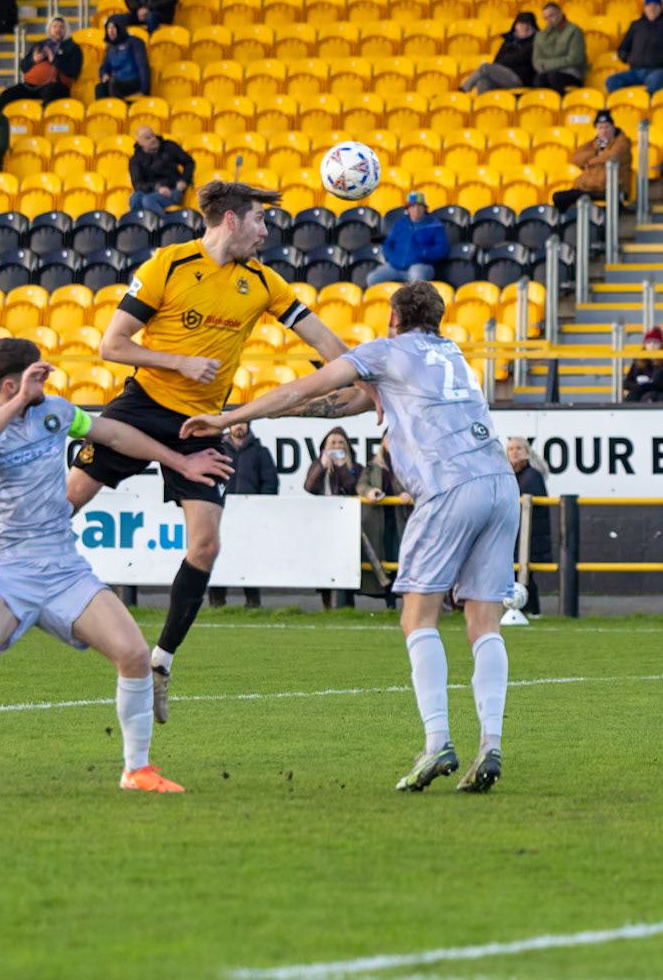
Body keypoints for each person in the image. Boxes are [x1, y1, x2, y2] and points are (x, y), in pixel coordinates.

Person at [182, 280, 518, 794]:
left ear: (392, 319)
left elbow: (306, 389)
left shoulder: (386, 351)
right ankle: (491, 744)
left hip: (449, 487)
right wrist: (288, 412)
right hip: (500, 484)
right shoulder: (450, 355)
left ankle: (437, 742)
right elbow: (341, 405)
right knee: (484, 621)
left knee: (416, 614)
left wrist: (231, 416)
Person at [40, 182, 352, 725]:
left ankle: (159, 664)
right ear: (230, 219)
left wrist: (365, 377)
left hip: (203, 422)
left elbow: (325, 342)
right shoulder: (170, 264)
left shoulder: (263, 281)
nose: (266, 231)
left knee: (205, 546)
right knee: (64, 502)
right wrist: (179, 363)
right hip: (144, 404)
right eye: (259, 220)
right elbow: (112, 346)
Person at [0, 339, 233, 798]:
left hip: (63, 567)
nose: (45, 385)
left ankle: (136, 769)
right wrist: (21, 399)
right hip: (5, 566)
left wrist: (180, 460)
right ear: (10, 383)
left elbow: (114, 435)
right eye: (34, 378)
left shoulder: (56, 412)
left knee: (135, 654)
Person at [207, 422, 276, 608]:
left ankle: (253, 602)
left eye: (243, 423)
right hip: (220, 514)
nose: (239, 426)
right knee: (218, 557)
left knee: (249, 558)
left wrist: (259, 505)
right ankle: (217, 603)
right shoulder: (218, 451)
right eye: (236, 422)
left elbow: (270, 483)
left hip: (250, 518)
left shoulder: (260, 452)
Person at [304, 426, 360, 609]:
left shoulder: (356, 467)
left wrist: (342, 468)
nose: (337, 446)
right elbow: (310, 487)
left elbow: (354, 488)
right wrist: (322, 466)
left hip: (347, 524)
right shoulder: (317, 464)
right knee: (325, 563)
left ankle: (346, 605)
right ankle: (327, 605)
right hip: (323, 525)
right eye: (333, 443)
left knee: (346, 564)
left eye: (340, 443)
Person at [357, 439, 408, 609]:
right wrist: (369, 491)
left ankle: (405, 600)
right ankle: (390, 602)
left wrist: (410, 493)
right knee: (385, 556)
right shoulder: (372, 466)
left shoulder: (410, 464)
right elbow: (361, 485)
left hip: (403, 519)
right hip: (380, 520)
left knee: (402, 557)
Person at [506, 436, 551, 616]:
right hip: (516, 535)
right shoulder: (512, 475)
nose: (514, 452)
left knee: (523, 573)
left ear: (527, 452)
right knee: (521, 573)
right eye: (510, 449)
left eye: (518, 448)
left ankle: (527, 610)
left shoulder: (531, 477)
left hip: (528, 536)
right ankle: (528, 610)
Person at [553, 110, 632, 211]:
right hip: (590, 188)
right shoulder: (592, 144)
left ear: (613, 127)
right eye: (600, 127)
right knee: (559, 197)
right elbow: (576, 159)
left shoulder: (622, 142)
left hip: (612, 188)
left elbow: (611, 157)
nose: (604, 131)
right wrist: (595, 153)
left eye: (607, 127)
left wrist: (588, 162)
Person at [0, 16, 81, 108]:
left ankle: (42, 121)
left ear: (66, 30)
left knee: (50, 95)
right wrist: (33, 60)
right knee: (7, 95)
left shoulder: (72, 48)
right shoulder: (40, 45)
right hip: (31, 86)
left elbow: (73, 71)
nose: (58, 29)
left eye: (62, 27)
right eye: (55, 26)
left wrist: (54, 60)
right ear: (49, 29)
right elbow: (23, 67)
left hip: (55, 87)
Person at [366, 192, 448, 286]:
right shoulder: (400, 224)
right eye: (412, 207)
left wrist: (424, 253)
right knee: (372, 278)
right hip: (395, 266)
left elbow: (443, 249)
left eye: (419, 206)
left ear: (424, 208)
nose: (416, 209)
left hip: (420, 265)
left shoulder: (435, 225)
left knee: (417, 279)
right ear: (408, 209)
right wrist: (391, 258)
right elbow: (388, 243)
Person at [460, 12, 536, 94]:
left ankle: (463, 89)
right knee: (483, 81)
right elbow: (498, 60)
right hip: (503, 76)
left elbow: (520, 57)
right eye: (521, 24)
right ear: (516, 26)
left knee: (485, 67)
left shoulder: (534, 43)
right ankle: (484, 105)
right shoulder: (508, 42)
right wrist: (507, 60)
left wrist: (506, 59)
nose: (524, 27)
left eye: (527, 25)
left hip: (519, 78)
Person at [606, 0, 663, 94]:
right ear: (645, 7)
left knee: (655, 80)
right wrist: (630, 58)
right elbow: (622, 49)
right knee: (611, 81)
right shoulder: (636, 25)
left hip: (657, 70)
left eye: (656, 5)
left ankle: (646, 107)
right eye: (649, 5)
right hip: (635, 71)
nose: (652, 9)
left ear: (661, 7)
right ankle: (620, 105)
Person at [127, 125, 194, 215]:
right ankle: (138, 226)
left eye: (153, 135)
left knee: (148, 201)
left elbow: (189, 162)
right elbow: (138, 183)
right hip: (151, 190)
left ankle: (165, 224)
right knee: (135, 199)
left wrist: (184, 180)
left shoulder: (169, 146)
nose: (153, 139)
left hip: (172, 190)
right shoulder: (135, 160)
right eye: (148, 138)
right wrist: (157, 188)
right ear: (140, 142)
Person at [532, 3, 587, 93]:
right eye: (546, 18)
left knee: (554, 77)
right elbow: (537, 61)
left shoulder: (574, 31)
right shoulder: (540, 35)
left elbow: (575, 59)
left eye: (551, 15)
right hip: (549, 72)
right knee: (538, 79)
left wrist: (547, 65)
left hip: (571, 72)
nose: (549, 20)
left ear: (560, 14)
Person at [96, 15, 149, 100]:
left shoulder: (135, 42)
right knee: (100, 88)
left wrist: (144, 90)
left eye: (113, 27)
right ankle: (103, 112)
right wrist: (104, 74)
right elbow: (105, 65)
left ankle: (117, 112)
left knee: (114, 85)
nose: (110, 31)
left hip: (133, 81)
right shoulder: (110, 47)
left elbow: (142, 66)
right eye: (108, 27)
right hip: (117, 82)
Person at [623, 325, 663, 401]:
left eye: (655, 342)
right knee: (631, 397)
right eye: (649, 342)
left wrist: (650, 385)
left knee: (650, 397)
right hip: (639, 392)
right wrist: (638, 386)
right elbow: (627, 383)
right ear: (645, 344)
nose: (652, 345)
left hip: (656, 395)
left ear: (661, 344)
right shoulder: (638, 362)